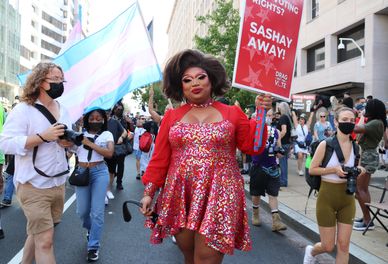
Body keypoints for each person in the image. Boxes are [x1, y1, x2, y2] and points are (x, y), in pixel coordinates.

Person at [140, 49, 271, 263]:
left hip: (221, 193)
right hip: (180, 195)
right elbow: (160, 159)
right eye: (188, 80)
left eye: (201, 77)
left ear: (211, 80)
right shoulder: (172, 117)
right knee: (190, 258)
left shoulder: (232, 113)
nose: (195, 83)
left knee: (206, 259)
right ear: (180, 85)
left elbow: (253, 147)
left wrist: (262, 113)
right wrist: (149, 192)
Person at [0, 62, 72, 263]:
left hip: (58, 184)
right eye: (54, 79)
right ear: (40, 82)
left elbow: (69, 144)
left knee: (38, 233)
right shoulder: (24, 110)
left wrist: (69, 143)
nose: (59, 83)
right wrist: (42, 136)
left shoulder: (64, 110)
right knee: (46, 241)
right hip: (32, 185)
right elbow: (5, 143)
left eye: (61, 79)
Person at [304, 107, 366, 264]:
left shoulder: (357, 147)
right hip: (327, 198)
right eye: (345, 120)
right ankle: (311, 251)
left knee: (344, 246)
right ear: (336, 122)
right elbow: (312, 169)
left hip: (347, 199)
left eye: (352, 121)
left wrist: (360, 170)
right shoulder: (326, 145)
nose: (349, 123)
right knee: (328, 246)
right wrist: (333, 170)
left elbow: (358, 168)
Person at [72, 109, 114, 262]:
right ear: (86, 119)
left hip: (100, 173)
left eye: (98, 118)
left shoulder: (106, 135)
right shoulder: (78, 135)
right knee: (82, 212)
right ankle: (90, 230)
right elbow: (69, 152)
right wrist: (67, 141)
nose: (95, 120)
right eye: (92, 118)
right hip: (82, 172)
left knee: (97, 212)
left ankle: (93, 247)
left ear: (103, 120)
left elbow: (109, 153)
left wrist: (89, 143)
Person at [249, 108, 287, 231]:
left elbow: (279, 148)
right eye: (266, 115)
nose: (268, 118)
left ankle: (276, 221)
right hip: (258, 166)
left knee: (273, 194)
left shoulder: (276, 131)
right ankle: (255, 214)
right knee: (256, 193)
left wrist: (280, 152)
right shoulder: (254, 130)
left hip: (272, 166)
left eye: (270, 115)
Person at [352, 99, 386, 231]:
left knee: (359, 189)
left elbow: (355, 128)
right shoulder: (375, 122)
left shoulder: (376, 123)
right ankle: (367, 218)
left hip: (369, 157)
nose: (365, 109)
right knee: (362, 189)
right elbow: (358, 136)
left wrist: (359, 116)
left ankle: (367, 220)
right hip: (367, 156)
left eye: (367, 108)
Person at [292, 112, 313, 176]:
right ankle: (299, 169)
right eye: (300, 119)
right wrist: (293, 111)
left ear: (305, 120)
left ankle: (299, 168)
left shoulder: (307, 126)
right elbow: (294, 117)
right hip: (298, 143)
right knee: (300, 156)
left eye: (303, 119)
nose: (301, 120)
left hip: (304, 144)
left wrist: (312, 113)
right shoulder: (297, 125)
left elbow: (310, 119)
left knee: (302, 157)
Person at [276, 102, 292, 187]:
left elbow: (284, 131)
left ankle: (283, 181)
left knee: (282, 163)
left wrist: (277, 139)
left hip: (283, 143)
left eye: (279, 107)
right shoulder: (288, 117)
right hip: (287, 143)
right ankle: (283, 180)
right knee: (284, 162)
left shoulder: (283, 117)